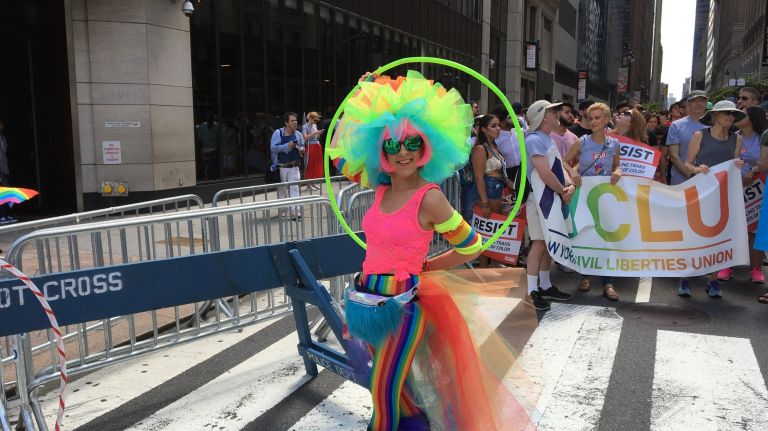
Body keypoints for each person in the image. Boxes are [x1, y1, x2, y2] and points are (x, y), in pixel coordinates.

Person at [329, 70, 533, 430]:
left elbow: (471, 245)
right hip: (366, 302)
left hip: (404, 307)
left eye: (412, 143)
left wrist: (427, 266)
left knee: (383, 392)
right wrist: (367, 91)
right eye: (392, 145)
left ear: (426, 147)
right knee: (399, 393)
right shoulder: (380, 190)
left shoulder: (430, 197)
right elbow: (343, 146)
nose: (403, 152)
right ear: (380, 150)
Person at [683, 100, 745, 298]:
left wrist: (739, 166)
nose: (730, 117)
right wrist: (697, 169)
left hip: (724, 194)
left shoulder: (737, 139)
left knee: (721, 237)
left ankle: (713, 279)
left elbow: (734, 166)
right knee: (695, 237)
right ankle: (686, 277)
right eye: (726, 113)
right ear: (715, 115)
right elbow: (687, 165)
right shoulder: (699, 135)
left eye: (733, 114)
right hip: (700, 193)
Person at [563, 103, 622, 300]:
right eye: (591, 118)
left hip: (606, 196)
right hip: (586, 196)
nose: (593, 121)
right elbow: (564, 161)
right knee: (587, 234)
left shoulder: (614, 144)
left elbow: (617, 166)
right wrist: (573, 172)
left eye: (598, 118)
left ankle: (609, 283)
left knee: (607, 238)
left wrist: (616, 173)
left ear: (606, 120)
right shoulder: (582, 142)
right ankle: (585, 275)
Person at [524, 100, 575, 311]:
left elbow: (557, 167)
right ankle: (531, 291)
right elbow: (544, 173)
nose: (557, 114)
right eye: (554, 111)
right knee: (538, 243)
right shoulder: (535, 139)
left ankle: (544, 285)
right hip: (539, 198)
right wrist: (564, 190)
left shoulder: (545, 138)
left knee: (546, 243)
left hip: (549, 196)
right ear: (544, 116)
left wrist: (569, 185)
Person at [718, 106, 768, 285]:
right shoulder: (732, 136)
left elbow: (764, 162)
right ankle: (727, 265)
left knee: (755, 229)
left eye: (742, 114)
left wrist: (752, 171)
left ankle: (755, 268)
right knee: (731, 226)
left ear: (753, 118)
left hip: (758, 188)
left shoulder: (762, 136)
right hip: (733, 187)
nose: (736, 116)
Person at [468, 114, 515, 267]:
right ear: (483, 129)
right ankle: (484, 268)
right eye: (493, 126)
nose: (498, 129)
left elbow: (501, 173)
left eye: (498, 125)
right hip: (488, 190)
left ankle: (495, 263)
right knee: (489, 232)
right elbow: (479, 177)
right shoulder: (480, 149)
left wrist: (512, 186)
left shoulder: (494, 147)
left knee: (496, 231)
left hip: (497, 189)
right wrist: (485, 203)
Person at [667, 90, 708, 187]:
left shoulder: (714, 124)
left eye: (702, 100)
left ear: (706, 103)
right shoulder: (676, 125)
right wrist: (690, 175)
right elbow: (673, 155)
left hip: (708, 180)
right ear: (688, 104)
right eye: (695, 101)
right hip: (681, 181)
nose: (699, 104)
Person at [270, 112, 305, 219]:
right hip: (281, 167)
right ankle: (283, 210)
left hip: (294, 166)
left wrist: (302, 150)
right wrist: (287, 146)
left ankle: (295, 212)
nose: (295, 122)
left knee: (294, 188)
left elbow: (302, 146)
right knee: (282, 190)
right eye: (292, 121)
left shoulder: (298, 134)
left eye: (296, 120)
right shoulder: (278, 133)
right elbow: (273, 148)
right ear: (286, 123)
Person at [302, 112, 325, 189]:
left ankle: (313, 183)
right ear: (310, 118)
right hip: (310, 146)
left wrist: (319, 133)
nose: (316, 121)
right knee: (310, 164)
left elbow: (317, 137)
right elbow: (305, 137)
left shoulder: (315, 125)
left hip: (317, 145)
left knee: (316, 164)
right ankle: (309, 184)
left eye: (317, 120)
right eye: (315, 120)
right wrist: (315, 132)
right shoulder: (305, 126)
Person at [0, 119, 15, 224]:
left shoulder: (3, 138)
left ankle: (6, 213)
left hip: (4, 168)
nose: (2, 127)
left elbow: (4, 152)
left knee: (7, 191)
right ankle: (2, 215)